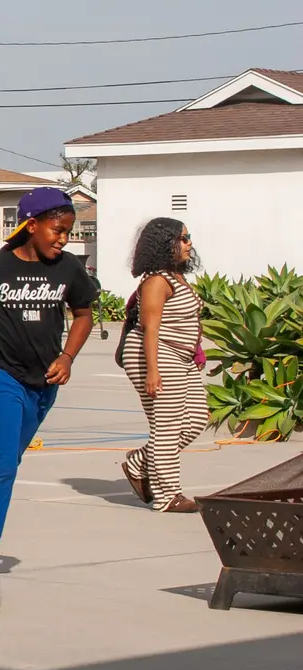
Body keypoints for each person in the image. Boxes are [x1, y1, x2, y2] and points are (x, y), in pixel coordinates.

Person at [0, 187, 97, 604]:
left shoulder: (69, 270)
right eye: (57, 229)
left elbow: (83, 314)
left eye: (68, 231)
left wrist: (68, 356)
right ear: (32, 225)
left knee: (6, 464)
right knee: (0, 465)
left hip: (44, 382)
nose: (63, 238)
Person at [121, 217, 207, 513]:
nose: (189, 243)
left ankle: (138, 463)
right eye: (183, 238)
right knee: (167, 427)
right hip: (158, 353)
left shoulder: (176, 276)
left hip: (182, 357)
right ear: (165, 243)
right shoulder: (157, 280)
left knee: (196, 418)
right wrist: (153, 370)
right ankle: (167, 495)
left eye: (188, 237)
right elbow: (150, 327)